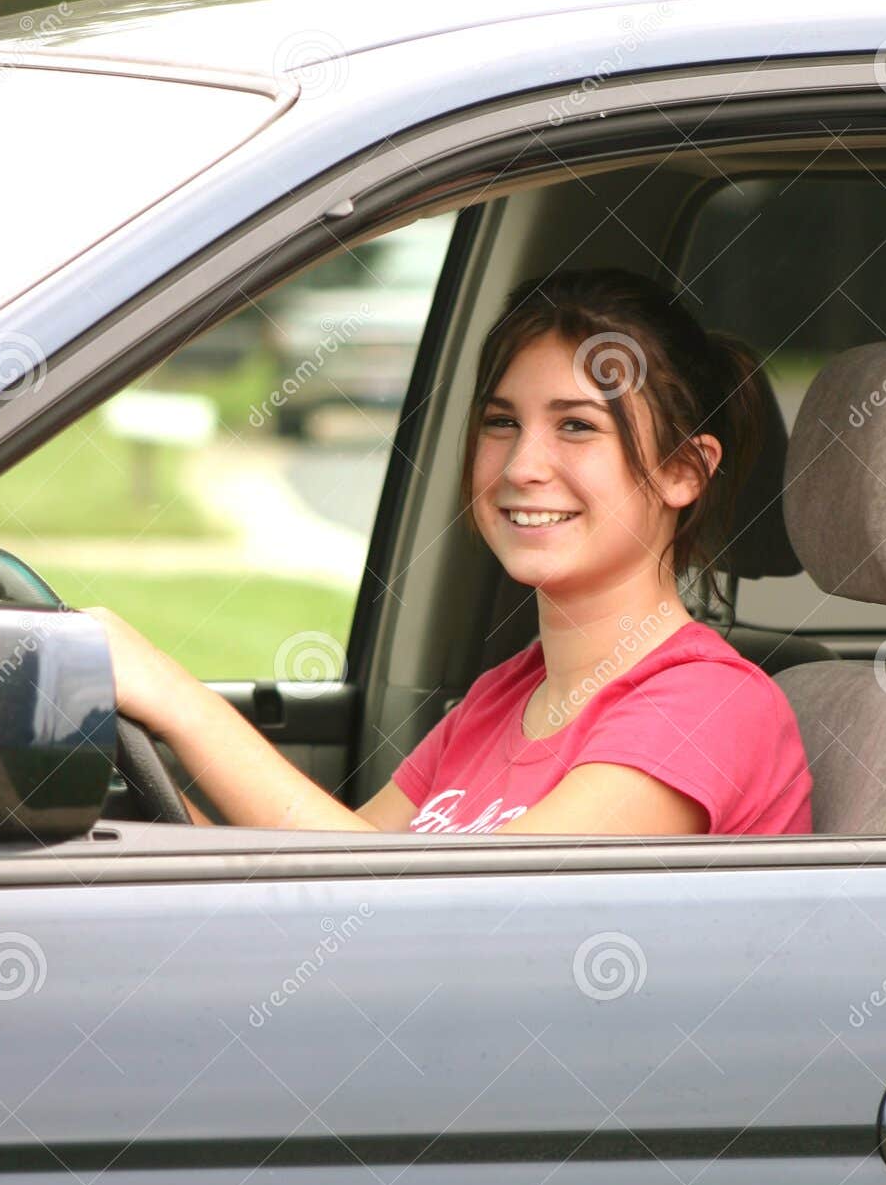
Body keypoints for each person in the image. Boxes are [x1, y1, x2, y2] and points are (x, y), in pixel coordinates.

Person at [88, 266, 813, 837]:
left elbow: (428, 914)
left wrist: (170, 695)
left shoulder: (711, 708)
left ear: (683, 470)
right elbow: (324, 864)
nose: (522, 464)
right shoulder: (503, 697)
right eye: (502, 421)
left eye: (577, 427)